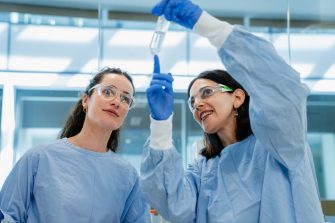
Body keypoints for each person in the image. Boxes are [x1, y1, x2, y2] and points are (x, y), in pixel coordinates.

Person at [141, 0, 325, 222]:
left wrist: (212, 28)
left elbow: (281, 90)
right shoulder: (203, 168)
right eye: (192, 102)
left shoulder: (278, 146)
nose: (197, 103)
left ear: (238, 97)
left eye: (207, 92)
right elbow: (175, 205)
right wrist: (160, 123)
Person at [0, 67, 150, 223]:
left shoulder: (129, 177)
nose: (117, 102)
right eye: (108, 92)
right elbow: (9, 215)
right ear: (85, 100)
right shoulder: (39, 158)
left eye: (125, 99)